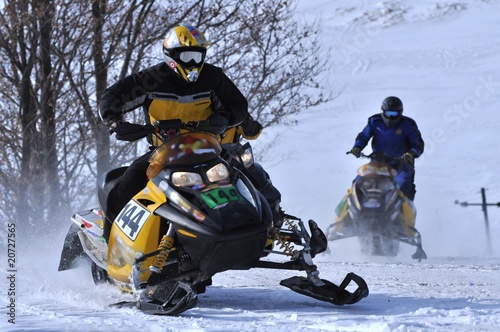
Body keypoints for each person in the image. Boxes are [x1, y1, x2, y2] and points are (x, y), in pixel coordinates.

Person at [99, 24, 280, 241]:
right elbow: (113, 96)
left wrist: (224, 117)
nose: (194, 63)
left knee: (249, 173)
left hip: (208, 148)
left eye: (198, 55)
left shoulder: (213, 77)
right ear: (172, 55)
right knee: (131, 180)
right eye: (188, 56)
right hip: (165, 152)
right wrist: (114, 121)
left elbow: (238, 104)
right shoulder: (151, 80)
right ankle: (110, 239)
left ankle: (273, 225)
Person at [349, 96, 424, 200]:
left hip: (401, 164)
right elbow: (364, 136)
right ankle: (348, 210)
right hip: (377, 161)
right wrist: (357, 147)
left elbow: (418, 144)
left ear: (400, 113)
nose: (390, 118)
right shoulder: (375, 121)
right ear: (382, 112)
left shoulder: (408, 125)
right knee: (358, 182)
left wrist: (411, 154)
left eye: (394, 114)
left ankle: (404, 210)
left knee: (405, 185)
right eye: (388, 114)